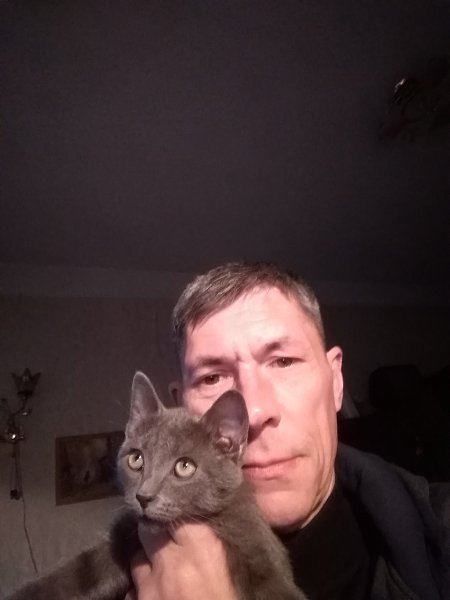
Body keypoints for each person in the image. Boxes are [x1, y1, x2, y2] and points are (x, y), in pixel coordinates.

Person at [128, 262, 450, 600]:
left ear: (335, 381)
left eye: (283, 361)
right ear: (180, 408)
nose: (254, 412)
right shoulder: (127, 568)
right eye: (212, 378)